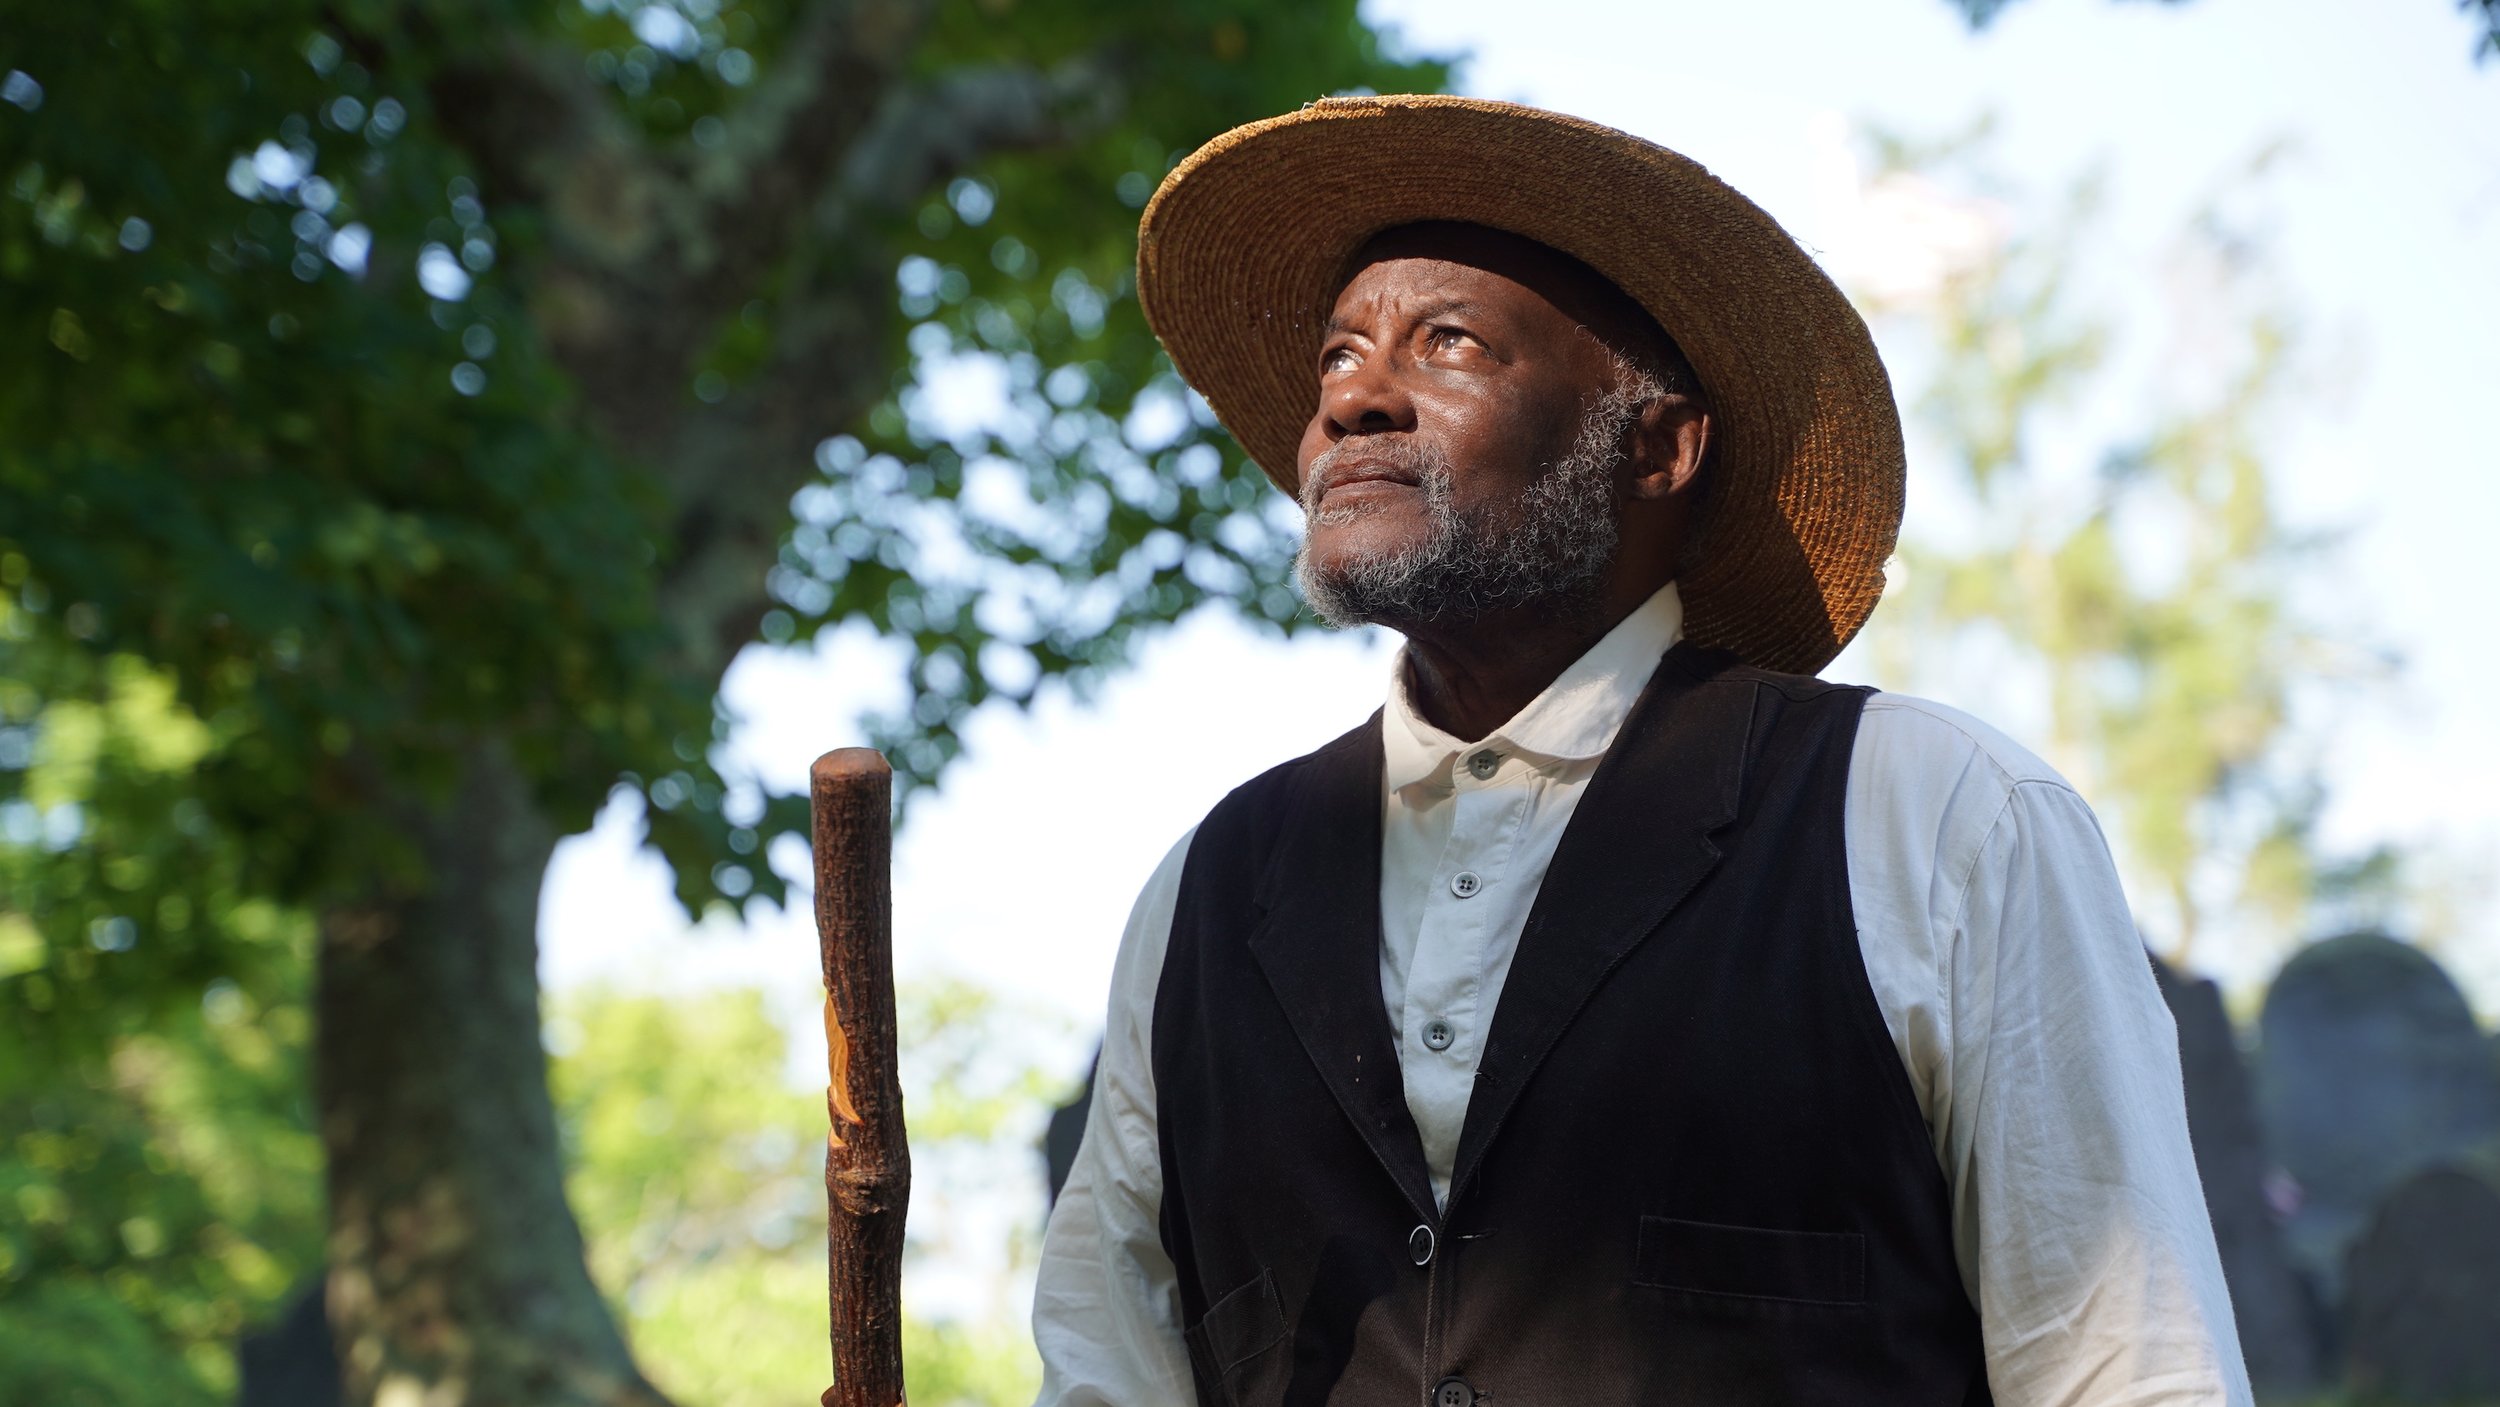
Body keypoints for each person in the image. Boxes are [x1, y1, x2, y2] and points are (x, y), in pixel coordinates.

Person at [1032, 95, 2249, 1406]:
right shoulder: (1207, 899)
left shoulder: (1932, 814)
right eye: (1336, 356)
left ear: (1659, 450)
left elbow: (2127, 1371)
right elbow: (1107, 1374)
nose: (1354, 401)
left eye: (1446, 342)